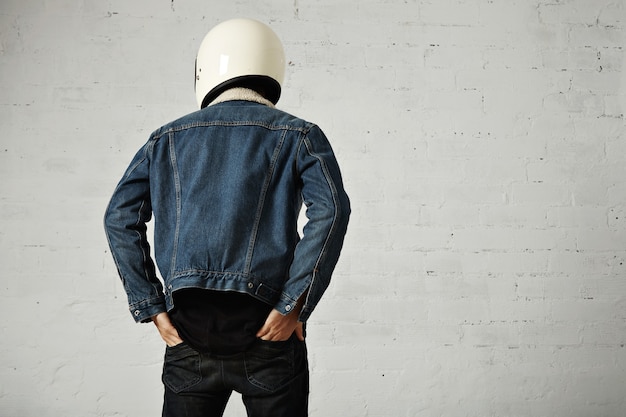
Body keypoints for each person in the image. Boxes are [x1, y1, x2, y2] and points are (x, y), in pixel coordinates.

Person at [103, 18, 350, 417]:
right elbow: (333, 211)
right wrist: (292, 304)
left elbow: (119, 217)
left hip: (188, 334)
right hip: (270, 332)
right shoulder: (299, 135)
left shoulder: (164, 139)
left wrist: (152, 308)